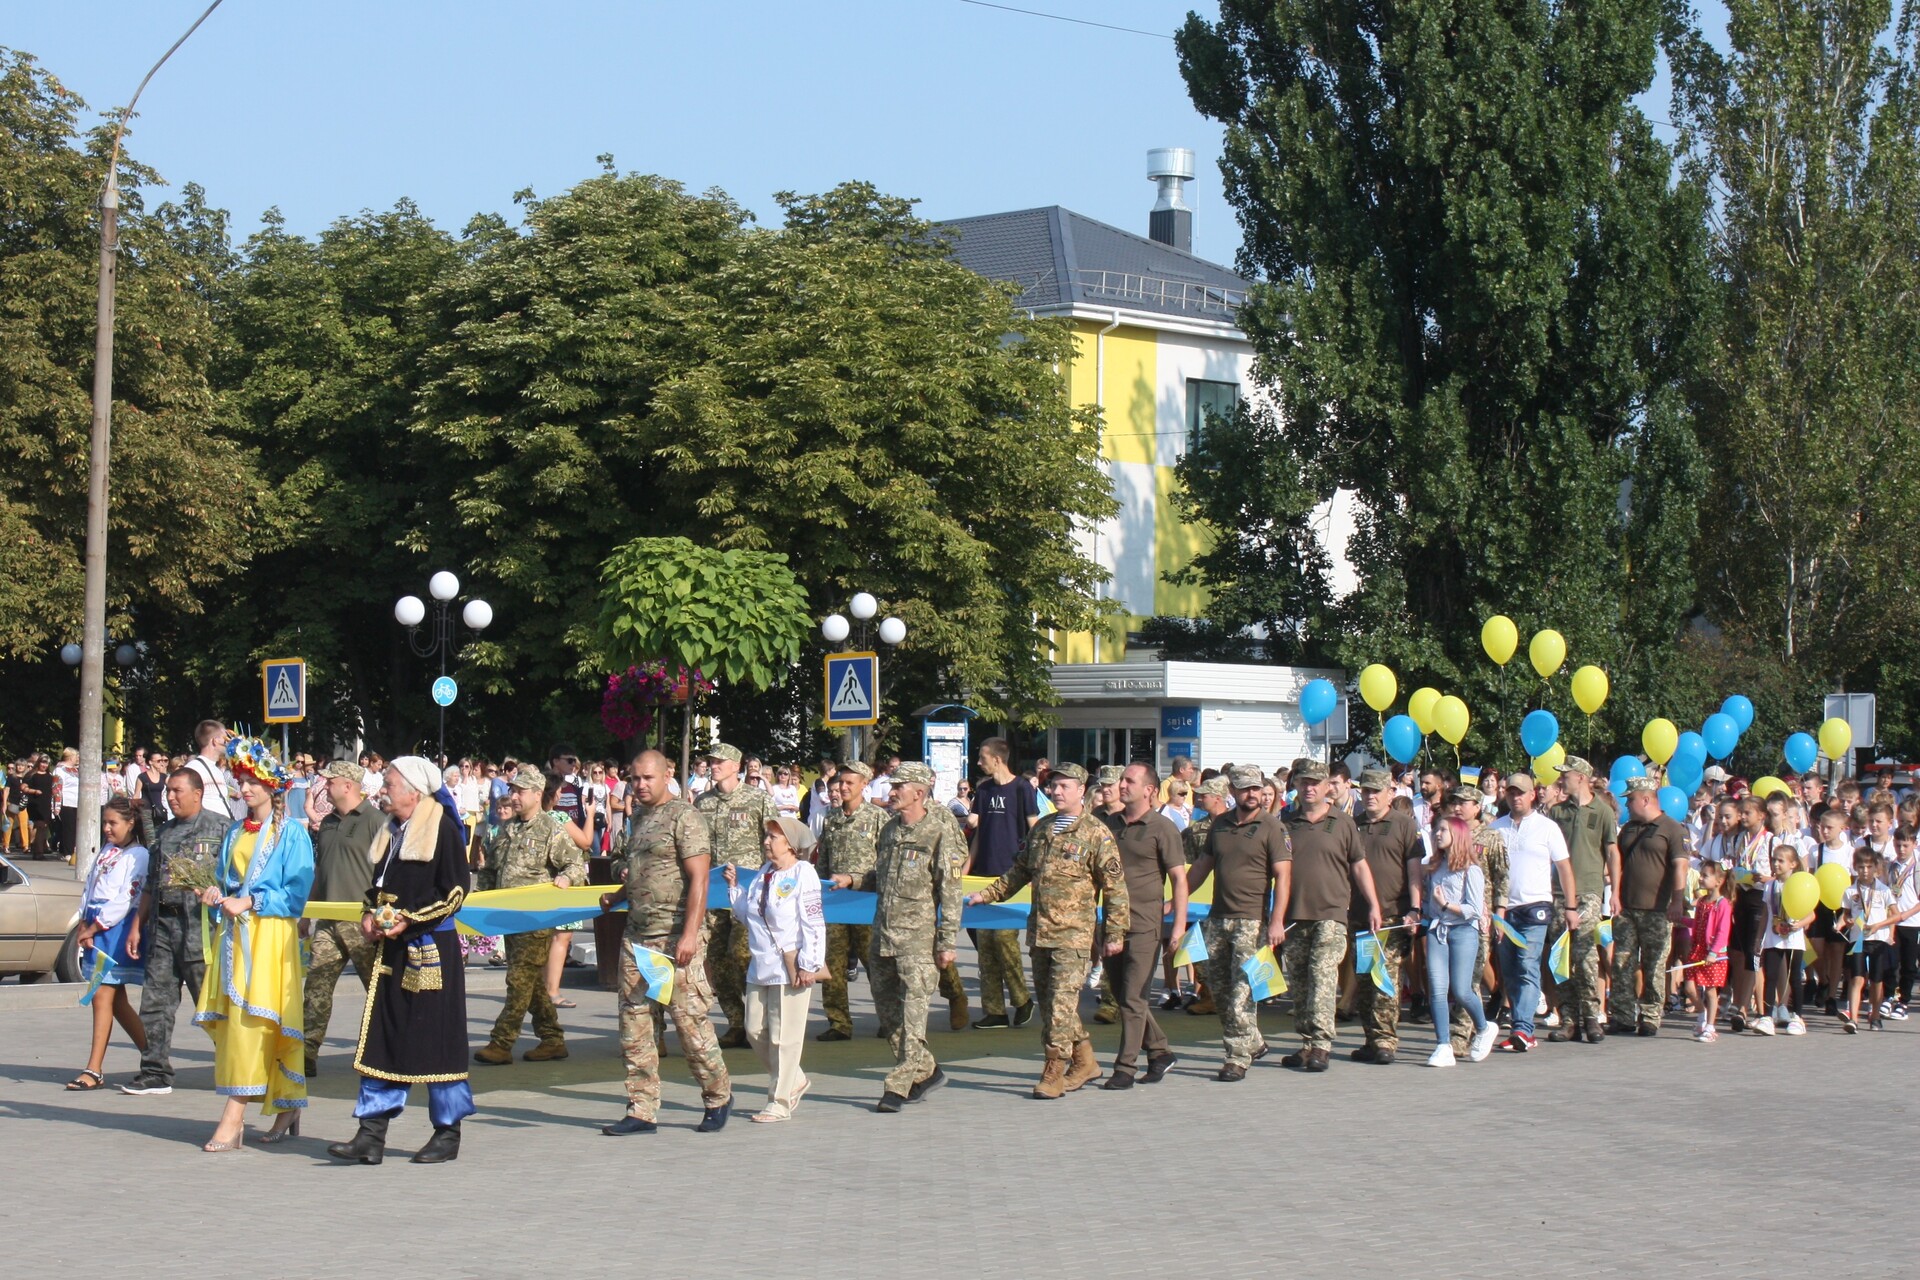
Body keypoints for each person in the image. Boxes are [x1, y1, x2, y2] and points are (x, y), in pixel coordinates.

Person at [325, 757, 472, 1165]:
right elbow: (378, 888)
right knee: (384, 1036)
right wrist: (369, 915)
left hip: (431, 951)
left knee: (437, 1041)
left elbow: (455, 892)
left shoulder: (442, 827)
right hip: (391, 952)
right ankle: (370, 1135)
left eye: (388, 784)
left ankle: (447, 1133)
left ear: (413, 791)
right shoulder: (391, 830)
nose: (382, 791)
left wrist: (410, 919)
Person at [967, 762, 1127, 1097]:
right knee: (1053, 1005)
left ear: (1082, 791)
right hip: (1040, 933)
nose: (1056, 792)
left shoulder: (1096, 833)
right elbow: (1019, 871)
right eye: (1053, 786)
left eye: (1064, 786)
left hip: (1073, 936)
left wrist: (1114, 934)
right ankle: (1086, 1061)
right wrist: (987, 894)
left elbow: (1115, 889)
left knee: (1061, 1005)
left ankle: (1054, 1068)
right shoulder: (1042, 828)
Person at [599, 750, 732, 1136]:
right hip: (637, 938)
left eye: (648, 778)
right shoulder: (638, 817)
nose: (640, 785)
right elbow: (644, 871)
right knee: (635, 1025)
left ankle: (717, 1096)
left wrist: (689, 934)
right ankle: (641, 1109)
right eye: (634, 778)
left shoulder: (685, 816)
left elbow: (700, 879)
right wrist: (617, 896)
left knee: (689, 1024)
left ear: (666, 776)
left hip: (674, 938)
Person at [194, 736, 313, 1151]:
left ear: (272, 787)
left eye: (252, 782)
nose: (244, 788)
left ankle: (233, 1117)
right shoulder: (234, 831)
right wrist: (214, 894)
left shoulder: (291, 834)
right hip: (234, 936)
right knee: (236, 1022)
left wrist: (251, 900)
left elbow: (296, 894)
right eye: (241, 781)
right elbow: (226, 881)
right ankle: (287, 1104)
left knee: (256, 1022)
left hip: (269, 938)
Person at [120, 768, 229, 1096]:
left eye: (177, 791)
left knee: (212, 1006)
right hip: (164, 928)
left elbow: (236, 878)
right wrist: (137, 925)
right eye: (168, 790)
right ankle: (154, 1071)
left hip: (200, 929)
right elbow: (151, 884)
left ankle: (238, 1066)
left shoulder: (222, 829)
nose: (170, 797)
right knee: (155, 1002)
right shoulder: (164, 833)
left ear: (197, 793)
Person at [861, 762, 964, 1112]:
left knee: (913, 1017)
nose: (891, 792)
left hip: (918, 941)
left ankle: (898, 1086)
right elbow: (881, 877)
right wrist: (852, 880)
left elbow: (950, 891)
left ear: (919, 793)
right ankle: (927, 1071)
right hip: (882, 936)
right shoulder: (889, 830)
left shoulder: (938, 832)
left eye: (898, 787)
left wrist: (947, 942)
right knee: (888, 1014)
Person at [474, 764, 587, 1065]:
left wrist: (566, 878)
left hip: (536, 920)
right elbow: (490, 870)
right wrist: (480, 902)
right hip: (507, 918)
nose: (514, 796)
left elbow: (575, 865)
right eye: (512, 790)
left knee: (518, 979)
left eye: (520, 792)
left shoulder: (551, 829)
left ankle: (501, 1043)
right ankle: (552, 1039)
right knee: (531, 981)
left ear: (538, 795)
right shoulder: (507, 829)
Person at [1186, 764, 1290, 1080]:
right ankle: (1253, 1041)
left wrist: (1276, 921)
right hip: (1218, 918)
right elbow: (1202, 866)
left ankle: (1237, 1057)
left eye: (1256, 788)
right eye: (1245, 789)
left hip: (1252, 921)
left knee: (1241, 992)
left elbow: (1283, 877)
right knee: (1217, 989)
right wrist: (1177, 898)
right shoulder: (1220, 825)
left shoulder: (1272, 827)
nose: (1252, 794)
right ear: (1232, 791)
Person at [724, 817, 826, 1123]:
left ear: (791, 844)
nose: (766, 841)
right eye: (766, 836)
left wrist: (809, 964)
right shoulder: (763, 873)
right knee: (754, 1029)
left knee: (785, 1037)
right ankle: (795, 1078)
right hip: (761, 964)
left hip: (790, 966)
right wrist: (734, 889)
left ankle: (779, 1101)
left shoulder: (803, 873)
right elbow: (749, 916)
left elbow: (814, 921)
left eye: (773, 837)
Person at [1098, 762, 1186, 1088]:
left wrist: (1177, 927)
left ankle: (1125, 1068)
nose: (1122, 785)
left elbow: (1179, 880)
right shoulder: (1110, 824)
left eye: (1129, 781)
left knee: (1134, 998)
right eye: (1121, 780)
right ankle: (1160, 1051)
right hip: (1112, 923)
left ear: (1149, 790)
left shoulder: (1163, 828)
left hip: (1145, 925)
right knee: (1124, 995)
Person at [300, 761, 384, 1078]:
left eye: (329, 781)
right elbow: (321, 870)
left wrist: (378, 914)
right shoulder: (327, 823)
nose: (324, 786)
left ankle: (381, 1052)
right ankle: (306, 1053)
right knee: (316, 988)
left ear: (348, 785)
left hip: (363, 922)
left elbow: (387, 873)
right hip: (328, 920)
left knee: (376, 991)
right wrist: (307, 913)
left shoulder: (376, 821)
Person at [694, 742, 778, 1048]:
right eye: (711, 761)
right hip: (714, 893)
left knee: (742, 954)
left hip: (748, 892)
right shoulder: (702, 802)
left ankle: (761, 1018)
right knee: (716, 960)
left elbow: (775, 841)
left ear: (736, 766)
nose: (713, 766)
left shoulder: (757, 799)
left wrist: (771, 881)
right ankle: (736, 1021)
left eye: (719, 762)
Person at [65, 797, 149, 1091]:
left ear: (131, 823)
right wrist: (83, 921)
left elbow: (126, 898)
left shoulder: (138, 855)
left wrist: (96, 926)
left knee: (101, 996)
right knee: (117, 1002)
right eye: (105, 822)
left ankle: (94, 1068)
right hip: (95, 926)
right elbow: (90, 887)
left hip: (114, 930)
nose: (107, 828)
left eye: (113, 823)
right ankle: (153, 1056)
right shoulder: (108, 850)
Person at [1491, 771, 1575, 1053]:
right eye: (1511, 792)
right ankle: (1521, 1024)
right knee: (1510, 971)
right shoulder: (1496, 828)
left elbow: (1564, 867)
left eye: (1521, 793)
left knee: (1527, 965)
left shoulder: (1547, 827)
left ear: (1532, 795)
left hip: (1536, 906)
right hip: (1505, 909)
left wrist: (1571, 906)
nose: (1516, 797)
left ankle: (1522, 1029)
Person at [1607, 777, 1691, 1037]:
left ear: (1646, 799)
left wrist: (1677, 901)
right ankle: (1622, 1015)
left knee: (1654, 965)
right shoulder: (1628, 829)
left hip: (1658, 910)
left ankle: (1651, 1015)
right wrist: (1614, 893)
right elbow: (1616, 862)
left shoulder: (1672, 829)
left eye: (1631, 799)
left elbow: (1680, 866)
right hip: (1627, 908)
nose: (1627, 805)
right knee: (1622, 962)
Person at [964, 738, 1038, 1030]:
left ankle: (1022, 1000)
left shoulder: (1022, 788)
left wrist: (1033, 871)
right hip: (982, 876)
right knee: (985, 947)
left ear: (997, 759)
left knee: (1004, 941)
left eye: (982, 757)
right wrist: (966, 869)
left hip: (1011, 877)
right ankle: (994, 1010)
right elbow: (978, 834)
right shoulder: (984, 790)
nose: (978, 762)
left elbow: (1034, 830)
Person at [1545, 757, 1618, 1044]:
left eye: (1567, 775)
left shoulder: (1602, 811)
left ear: (1582, 778)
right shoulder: (1557, 812)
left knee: (1585, 955)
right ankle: (1569, 1019)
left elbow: (1611, 852)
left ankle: (1591, 1016)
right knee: (1561, 956)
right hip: (1559, 892)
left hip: (1588, 890)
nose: (1562, 779)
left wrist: (1616, 892)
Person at [1350, 767, 1420, 1064]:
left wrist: (1415, 908)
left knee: (1386, 980)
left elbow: (1414, 870)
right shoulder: (1353, 825)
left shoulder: (1404, 825)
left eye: (1375, 791)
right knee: (1365, 981)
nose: (1370, 796)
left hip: (1393, 915)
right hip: (1360, 917)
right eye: (1365, 790)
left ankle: (1386, 1040)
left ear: (1390, 794)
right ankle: (1370, 1039)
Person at [1422, 815, 1498, 1065]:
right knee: (1437, 988)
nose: (1437, 834)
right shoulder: (1433, 866)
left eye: (1443, 830)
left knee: (1462, 989)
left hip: (1463, 931)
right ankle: (1443, 1045)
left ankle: (1484, 1027)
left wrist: (1446, 905)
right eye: (1436, 830)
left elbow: (1474, 910)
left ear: (1458, 835)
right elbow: (1428, 902)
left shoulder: (1471, 870)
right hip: (1437, 930)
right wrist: (1421, 915)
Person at [817, 761, 884, 1041]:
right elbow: (823, 859)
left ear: (864, 785)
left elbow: (885, 865)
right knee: (832, 963)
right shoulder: (832, 817)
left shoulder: (878, 818)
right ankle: (838, 1023)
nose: (843, 787)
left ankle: (889, 1017)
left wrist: (853, 879)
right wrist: (818, 890)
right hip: (835, 903)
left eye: (849, 783)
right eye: (841, 782)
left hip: (865, 902)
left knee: (875, 963)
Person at [1758, 845, 1813, 1035]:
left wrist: (1800, 924)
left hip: (1793, 939)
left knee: (1794, 977)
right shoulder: (1769, 885)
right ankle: (1767, 1016)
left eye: (1781, 860)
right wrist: (1759, 938)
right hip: (1773, 936)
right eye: (1774, 859)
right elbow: (1765, 913)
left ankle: (1797, 1016)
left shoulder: (1798, 885)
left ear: (1793, 864)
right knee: (1771, 976)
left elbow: (1811, 915)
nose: (1776, 863)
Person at [1686, 861, 1732, 1042]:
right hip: (1697, 950)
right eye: (1701, 875)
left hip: (1713, 954)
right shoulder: (1701, 902)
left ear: (1719, 881)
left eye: (1705, 875)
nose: (1701, 878)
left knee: (1711, 991)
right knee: (1689, 988)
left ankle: (1710, 1027)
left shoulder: (1723, 904)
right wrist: (1681, 919)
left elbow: (1722, 931)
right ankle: (1702, 1014)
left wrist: (1713, 953)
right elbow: (1697, 924)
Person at [185, 720, 246, 821]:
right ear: (215, 741)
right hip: (206, 827)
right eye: (225, 739)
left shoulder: (217, 770)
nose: (227, 743)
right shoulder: (193, 769)